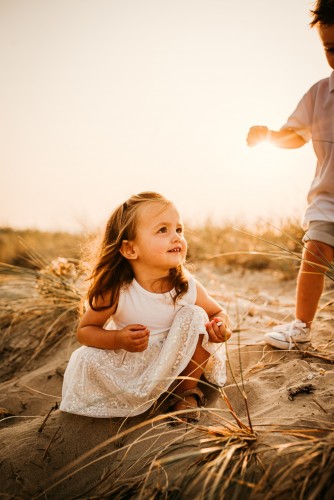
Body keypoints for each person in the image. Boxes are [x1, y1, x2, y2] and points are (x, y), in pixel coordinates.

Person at [60, 191, 231, 422]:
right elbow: (85, 331)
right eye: (163, 230)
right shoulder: (117, 289)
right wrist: (118, 339)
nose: (176, 237)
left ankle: (185, 391)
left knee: (196, 314)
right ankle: (132, 399)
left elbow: (217, 312)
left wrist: (220, 326)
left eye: (179, 229)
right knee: (85, 358)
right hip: (135, 366)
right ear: (130, 249)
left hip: (179, 361)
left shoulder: (187, 286)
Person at [246, 0, 334, 350]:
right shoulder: (319, 95)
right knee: (314, 251)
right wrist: (269, 135)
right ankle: (301, 326)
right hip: (327, 198)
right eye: (330, 48)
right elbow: (296, 135)